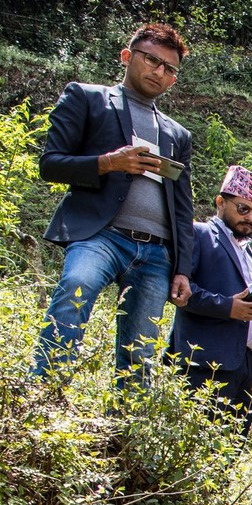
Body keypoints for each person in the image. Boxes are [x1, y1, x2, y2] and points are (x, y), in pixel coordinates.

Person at [32, 22, 197, 392]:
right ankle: (43, 397)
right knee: (74, 291)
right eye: (152, 60)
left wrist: (183, 267)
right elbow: (51, 163)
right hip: (100, 235)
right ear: (127, 56)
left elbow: (183, 206)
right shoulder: (87, 98)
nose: (160, 72)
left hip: (157, 253)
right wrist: (109, 163)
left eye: (170, 69)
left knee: (141, 349)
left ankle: (125, 436)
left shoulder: (177, 134)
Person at [166, 164, 252, 432]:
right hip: (207, 362)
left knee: (232, 452)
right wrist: (227, 307)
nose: (250, 219)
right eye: (242, 209)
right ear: (220, 202)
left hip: (247, 365)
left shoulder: (248, 253)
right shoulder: (198, 234)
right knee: (197, 444)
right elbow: (178, 290)